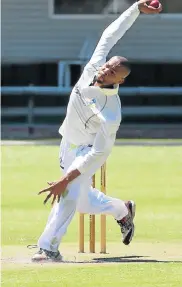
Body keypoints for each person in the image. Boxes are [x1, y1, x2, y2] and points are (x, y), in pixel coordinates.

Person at [32, 0, 162, 261]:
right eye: (107, 65)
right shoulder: (93, 66)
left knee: (68, 192)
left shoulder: (112, 111)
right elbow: (110, 34)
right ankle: (123, 210)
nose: (105, 70)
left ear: (120, 80)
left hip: (87, 151)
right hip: (67, 141)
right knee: (83, 203)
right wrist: (135, 9)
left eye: (113, 71)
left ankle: (48, 248)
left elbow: (100, 153)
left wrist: (67, 179)